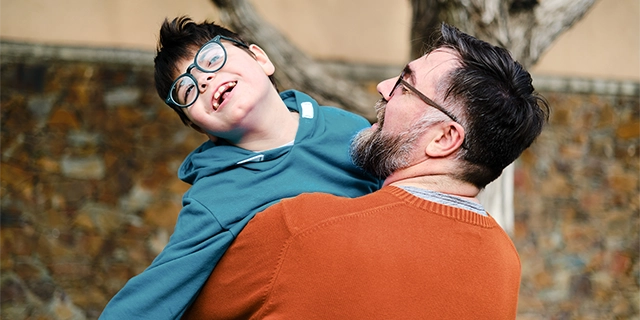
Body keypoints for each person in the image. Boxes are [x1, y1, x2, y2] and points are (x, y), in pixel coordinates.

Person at [183, 23, 550, 320]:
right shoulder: (504, 264)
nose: (383, 87)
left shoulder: (297, 228)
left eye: (406, 86)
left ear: (443, 139)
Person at [99, 16, 381, 319]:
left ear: (260, 58)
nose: (203, 80)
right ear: (201, 127)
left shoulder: (346, 127)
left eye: (211, 59)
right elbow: (150, 297)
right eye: (187, 91)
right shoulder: (216, 197)